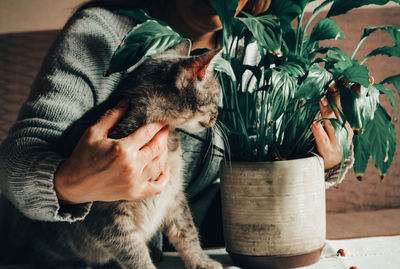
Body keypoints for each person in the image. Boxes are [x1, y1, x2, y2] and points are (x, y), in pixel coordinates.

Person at [0, 0, 353, 261]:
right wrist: (68, 182)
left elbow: (256, 176)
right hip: (63, 253)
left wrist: (321, 158)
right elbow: (15, 162)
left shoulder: (257, 52)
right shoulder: (102, 32)